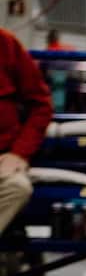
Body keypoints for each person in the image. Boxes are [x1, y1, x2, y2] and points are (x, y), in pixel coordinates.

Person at [0, 26, 52, 260]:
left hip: (4, 158)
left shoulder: (6, 44)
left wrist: (19, 153)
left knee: (18, 187)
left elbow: (41, 106)